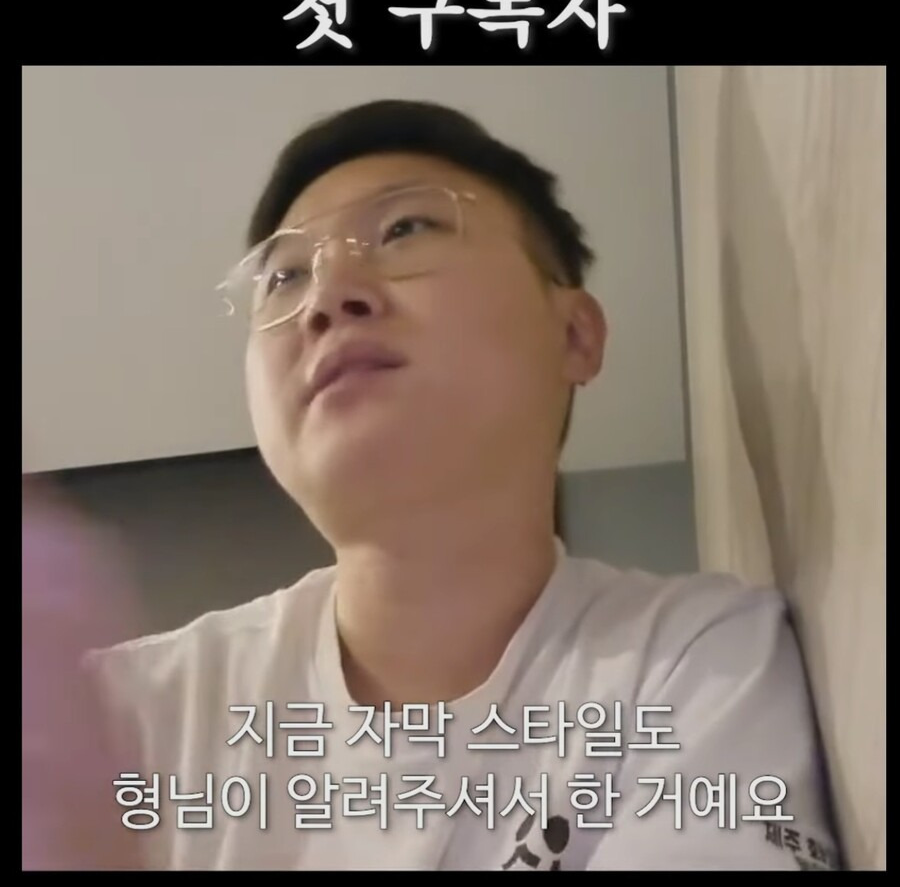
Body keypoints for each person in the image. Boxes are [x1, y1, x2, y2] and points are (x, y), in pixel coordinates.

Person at [69, 100, 838, 869]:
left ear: (574, 333)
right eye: (285, 276)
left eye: (405, 228)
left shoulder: (700, 663)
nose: (327, 297)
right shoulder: (109, 721)